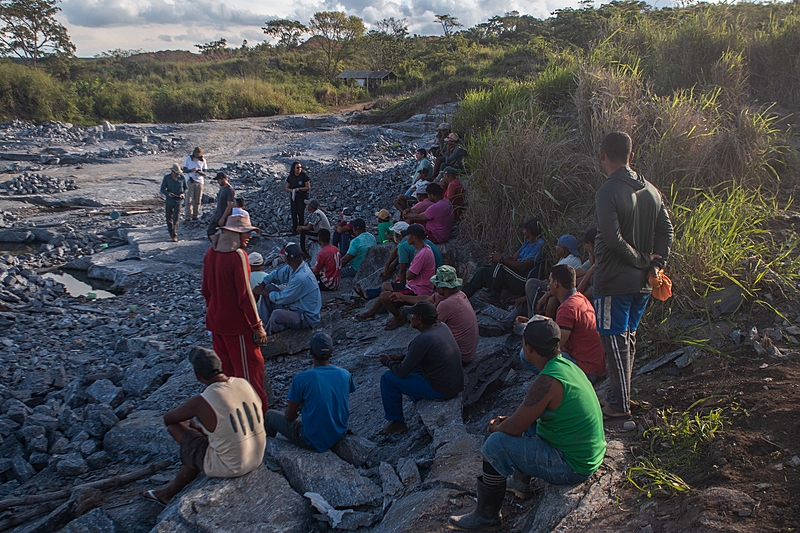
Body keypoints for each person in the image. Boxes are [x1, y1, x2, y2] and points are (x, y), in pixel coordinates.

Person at [447, 316, 606, 531]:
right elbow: (527, 417)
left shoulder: (546, 382)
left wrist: (498, 427)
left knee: (495, 444)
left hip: (572, 465)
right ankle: (521, 484)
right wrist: (511, 421)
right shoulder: (566, 365)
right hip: (585, 454)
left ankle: (487, 518)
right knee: (528, 424)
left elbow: (513, 429)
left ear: (528, 348)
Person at [593, 131, 673, 420]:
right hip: (641, 284)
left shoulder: (608, 191)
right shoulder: (652, 190)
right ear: (632, 155)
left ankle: (619, 403)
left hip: (613, 280)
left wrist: (641, 260)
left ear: (602, 154)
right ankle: (619, 396)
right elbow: (667, 230)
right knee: (627, 338)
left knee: (613, 340)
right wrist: (656, 263)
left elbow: (612, 239)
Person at [142, 347, 266, 505]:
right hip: (257, 456)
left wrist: (192, 427)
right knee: (200, 438)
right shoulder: (242, 382)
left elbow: (169, 419)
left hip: (234, 466)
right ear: (220, 366)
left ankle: (167, 493)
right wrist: (201, 429)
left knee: (180, 433)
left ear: (197, 375)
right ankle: (168, 490)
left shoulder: (202, 400)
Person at [202, 214, 268, 409]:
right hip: (236, 326)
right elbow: (245, 295)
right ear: (235, 234)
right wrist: (257, 326)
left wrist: (214, 311)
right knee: (250, 373)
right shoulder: (238, 256)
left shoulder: (210, 252)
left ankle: (233, 412)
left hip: (216, 323)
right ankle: (258, 416)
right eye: (245, 232)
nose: (249, 236)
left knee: (227, 372)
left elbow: (205, 290)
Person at [378, 301, 464, 435]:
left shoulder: (422, 340)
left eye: (412, 314)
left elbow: (401, 372)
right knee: (411, 366)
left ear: (419, 319)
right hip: (455, 383)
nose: (409, 317)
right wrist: (401, 358)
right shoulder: (442, 326)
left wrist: (388, 362)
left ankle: (397, 423)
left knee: (387, 378)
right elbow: (424, 355)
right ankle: (415, 393)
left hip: (443, 389)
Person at [265, 332, 356, 452]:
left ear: (311, 352)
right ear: (331, 352)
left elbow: (289, 416)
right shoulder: (345, 374)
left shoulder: (302, 378)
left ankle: (265, 449)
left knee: (270, 415)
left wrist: (298, 408)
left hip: (311, 439)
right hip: (339, 433)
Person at [515, 265, 605, 383]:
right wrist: (533, 322)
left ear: (556, 284)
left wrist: (527, 332)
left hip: (586, 370)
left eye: (550, 281)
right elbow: (559, 329)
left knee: (525, 354)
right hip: (594, 364)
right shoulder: (579, 298)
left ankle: (551, 382)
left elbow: (555, 348)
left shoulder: (567, 307)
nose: (549, 285)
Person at [355, 224, 436, 330]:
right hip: (413, 285)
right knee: (386, 285)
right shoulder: (422, 249)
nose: (406, 238)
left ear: (414, 237)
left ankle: (399, 317)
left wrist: (406, 275)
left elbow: (410, 275)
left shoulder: (423, 253)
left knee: (385, 296)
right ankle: (372, 312)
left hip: (418, 290)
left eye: (408, 235)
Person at [394, 265, 478, 364]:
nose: (435, 288)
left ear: (442, 288)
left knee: (422, 339)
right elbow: (427, 302)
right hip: (467, 353)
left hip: (458, 357)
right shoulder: (459, 294)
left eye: (436, 285)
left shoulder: (446, 304)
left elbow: (429, 329)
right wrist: (403, 298)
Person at [462, 217, 546, 299]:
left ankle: (494, 297)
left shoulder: (539, 245)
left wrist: (501, 260)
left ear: (529, 232)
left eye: (524, 230)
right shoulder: (527, 243)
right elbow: (514, 258)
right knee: (483, 272)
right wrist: (497, 258)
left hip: (523, 279)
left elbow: (524, 266)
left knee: (500, 265)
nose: (523, 232)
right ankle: (463, 295)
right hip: (513, 274)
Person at [252, 243, 321, 335]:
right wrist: (262, 284)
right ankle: (264, 323)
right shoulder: (293, 268)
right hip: (293, 307)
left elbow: (284, 298)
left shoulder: (302, 277)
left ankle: (266, 335)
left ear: (288, 259)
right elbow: (275, 275)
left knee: (277, 314)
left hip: (305, 316)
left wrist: (261, 291)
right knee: (268, 287)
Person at [526, 234, 584, 317]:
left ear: (563, 249)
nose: (556, 247)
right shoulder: (568, 258)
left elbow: (552, 276)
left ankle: (532, 316)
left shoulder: (570, 260)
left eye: (558, 245)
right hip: (557, 285)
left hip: (559, 288)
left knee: (531, 283)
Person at [160, 163, 186, 242]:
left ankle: (174, 234)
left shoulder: (182, 178)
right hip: (169, 200)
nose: (178, 174)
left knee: (176, 218)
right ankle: (171, 232)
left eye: (178, 173)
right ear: (172, 172)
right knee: (168, 217)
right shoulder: (167, 178)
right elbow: (162, 189)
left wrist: (183, 194)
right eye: (176, 173)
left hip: (178, 200)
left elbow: (186, 188)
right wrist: (168, 194)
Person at [207, 172, 235, 239]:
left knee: (224, 235)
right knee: (210, 232)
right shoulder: (222, 188)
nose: (218, 182)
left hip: (224, 217)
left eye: (218, 180)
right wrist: (215, 213)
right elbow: (219, 202)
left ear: (223, 179)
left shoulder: (229, 190)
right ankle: (217, 246)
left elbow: (229, 205)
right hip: (218, 215)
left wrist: (223, 218)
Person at [285, 161, 310, 235]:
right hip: (293, 197)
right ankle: (295, 229)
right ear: (294, 169)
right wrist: (291, 190)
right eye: (298, 167)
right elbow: (286, 187)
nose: (299, 169)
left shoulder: (304, 176)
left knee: (300, 212)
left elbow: (308, 187)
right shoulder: (290, 177)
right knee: (293, 212)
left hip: (302, 197)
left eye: (300, 167)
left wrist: (299, 189)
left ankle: (301, 228)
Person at [183, 147, 207, 222]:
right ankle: (187, 216)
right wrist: (191, 170)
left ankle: (195, 215)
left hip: (199, 181)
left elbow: (205, 172)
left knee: (198, 199)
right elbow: (184, 170)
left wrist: (200, 172)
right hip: (190, 180)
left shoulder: (203, 160)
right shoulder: (188, 159)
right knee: (189, 199)